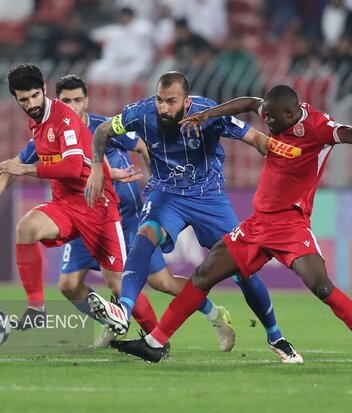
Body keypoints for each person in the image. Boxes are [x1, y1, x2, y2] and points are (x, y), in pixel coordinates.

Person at [110, 83, 352, 366]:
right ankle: (155, 344)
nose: (268, 126)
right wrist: (207, 115)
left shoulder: (319, 126)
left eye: (273, 120)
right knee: (203, 274)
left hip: (291, 225)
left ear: (290, 113)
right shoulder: (274, 111)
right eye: (268, 117)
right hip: (257, 224)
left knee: (321, 286)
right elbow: (250, 103)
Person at [86, 71, 303, 364]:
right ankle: (122, 312)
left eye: (171, 102)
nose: (163, 108)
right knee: (144, 236)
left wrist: (291, 158)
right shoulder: (140, 113)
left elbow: (256, 138)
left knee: (243, 268)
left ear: (187, 102)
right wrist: (97, 168)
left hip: (208, 197)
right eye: (160, 100)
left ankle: (276, 336)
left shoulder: (209, 113)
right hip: (166, 193)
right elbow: (102, 132)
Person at [17, 75, 236, 350]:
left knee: (161, 282)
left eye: (77, 100)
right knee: (69, 285)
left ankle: (213, 316)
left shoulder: (101, 127)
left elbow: (142, 145)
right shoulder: (51, 129)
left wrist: (159, 181)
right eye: (66, 101)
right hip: (81, 215)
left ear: (87, 100)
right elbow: (22, 162)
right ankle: (113, 322)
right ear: (56, 102)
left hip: (125, 218)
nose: (72, 106)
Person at [0, 64, 159, 335]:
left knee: (118, 283)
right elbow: (16, 165)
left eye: (35, 96)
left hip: (97, 208)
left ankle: (157, 339)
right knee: (27, 228)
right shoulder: (37, 123)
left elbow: (72, 168)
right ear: (15, 98)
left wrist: (25, 169)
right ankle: (36, 310)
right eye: (24, 100)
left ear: (44, 89)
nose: (31, 104)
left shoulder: (64, 118)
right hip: (66, 205)